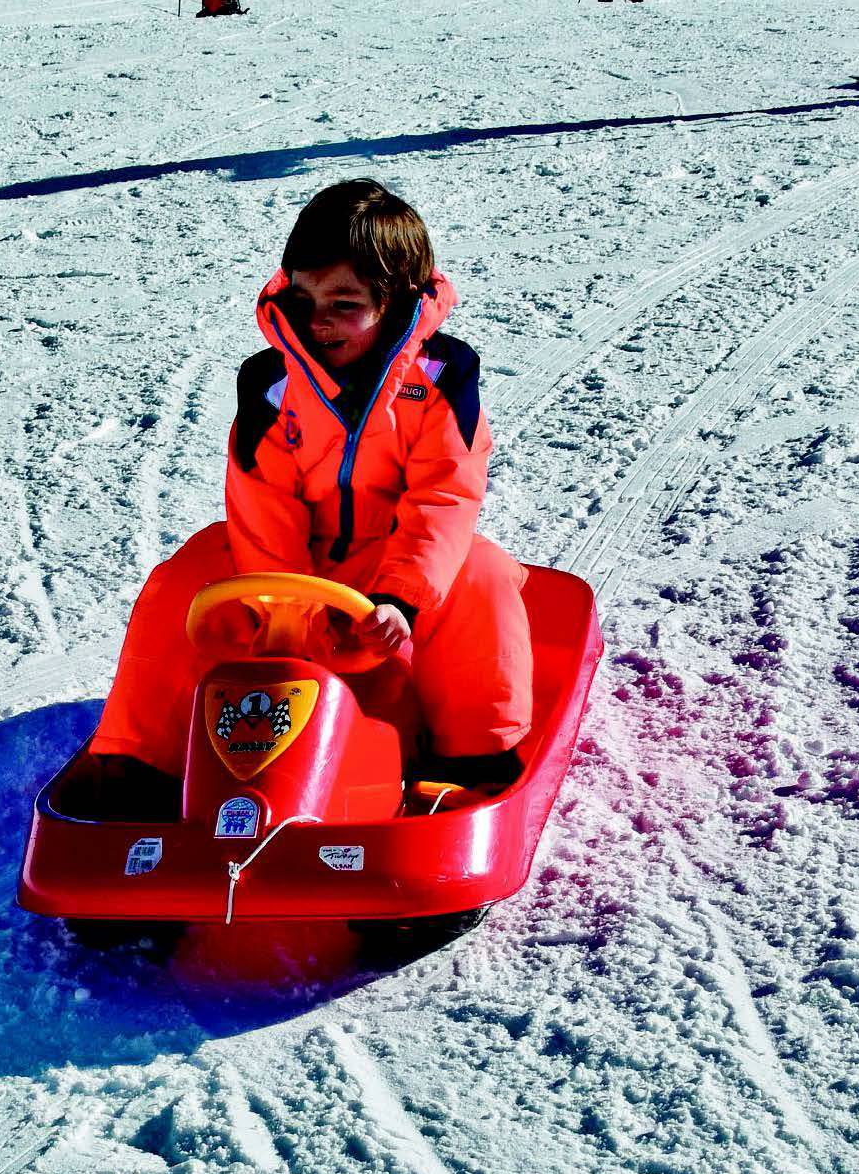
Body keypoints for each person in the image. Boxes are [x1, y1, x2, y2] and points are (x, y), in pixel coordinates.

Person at [77, 179, 533, 816]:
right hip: (291, 557)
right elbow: (262, 501)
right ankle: (141, 763)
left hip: (396, 561)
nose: (318, 320)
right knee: (182, 578)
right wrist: (283, 606)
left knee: (482, 577)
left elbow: (443, 497)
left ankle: (472, 764)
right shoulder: (270, 382)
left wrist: (398, 597)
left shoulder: (440, 378)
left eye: (344, 303)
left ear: (396, 300)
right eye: (303, 296)